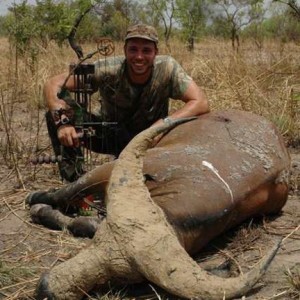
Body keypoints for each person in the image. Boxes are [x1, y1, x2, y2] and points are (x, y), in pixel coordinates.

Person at [44, 24, 210, 182]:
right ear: (124, 50)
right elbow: (53, 84)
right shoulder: (107, 69)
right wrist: (63, 122)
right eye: (133, 49)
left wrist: (163, 125)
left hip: (153, 140)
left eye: (146, 50)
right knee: (54, 116)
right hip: (110, 136)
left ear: (155, 52)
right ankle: (75, 184)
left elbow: (200, 102)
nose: (139, 57)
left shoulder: (167, 67)